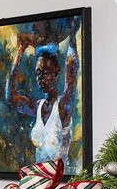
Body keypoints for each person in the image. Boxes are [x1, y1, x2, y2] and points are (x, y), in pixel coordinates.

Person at [5, 22, 80, 170]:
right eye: (38, 73)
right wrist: (19, 52)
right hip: (39, 179)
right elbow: (10, 98)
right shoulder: (37, 107)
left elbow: (71, 75)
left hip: (61, 179)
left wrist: (72, 37)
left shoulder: (63, 107)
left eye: (45, 72)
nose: (41, 78)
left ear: (56, 72)